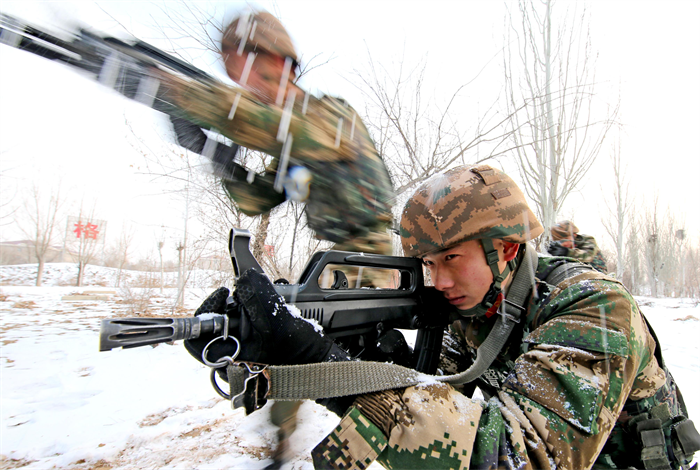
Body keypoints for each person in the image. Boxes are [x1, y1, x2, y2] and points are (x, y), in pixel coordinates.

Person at [188, 164, 699, 470]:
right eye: (429, 265)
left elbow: (517, 458)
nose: (441, 281)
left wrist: (334, 373)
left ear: (506, 249)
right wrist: (343, 359)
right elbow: (446, 411)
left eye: (452, 258)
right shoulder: (471, 312)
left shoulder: (593, 307)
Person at [163, 10, 395, 469]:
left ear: (282, 63)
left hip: (372, 257)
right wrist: (215, 152)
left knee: (339, 354)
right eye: (234, 80)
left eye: (247, 75)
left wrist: (179, 93)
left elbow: (271, 126)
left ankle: (391, 435)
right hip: (333, 257)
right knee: (293, 338)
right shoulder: (289, 143)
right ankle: (285, 437)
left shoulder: (328, 117)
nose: (246, 89)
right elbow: (258, 198)